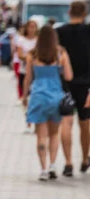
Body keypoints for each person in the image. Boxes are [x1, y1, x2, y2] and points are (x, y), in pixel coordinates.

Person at [23, 25, 73, 181]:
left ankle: (43, 169)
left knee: (41, 136)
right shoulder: (60, 54)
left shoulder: (32, 55)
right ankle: (52, 165)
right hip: (55, 97)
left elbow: (28, 78)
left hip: (38, 97)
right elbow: (69, 76)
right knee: (54, 134)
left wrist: (25, 96)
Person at [56, 1, 90, 176]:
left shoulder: (59, 32)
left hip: (64, 83)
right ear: (84, 13)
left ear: (69, 12)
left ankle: (68, 162)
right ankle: (85, 159)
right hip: (86, 83)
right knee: (85, 123)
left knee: (66, 122)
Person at [16, 19, 39, 133]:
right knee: (26, 96)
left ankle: (35, 121)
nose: (31, 29)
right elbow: (19, 54)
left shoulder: (38, 40)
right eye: (30, 26)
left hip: (36, 71)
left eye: (34, 26)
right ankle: (28, 119)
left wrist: (30, 56)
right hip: (24, 70)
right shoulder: (21, 40)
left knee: (35, 96)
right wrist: (30, 57)